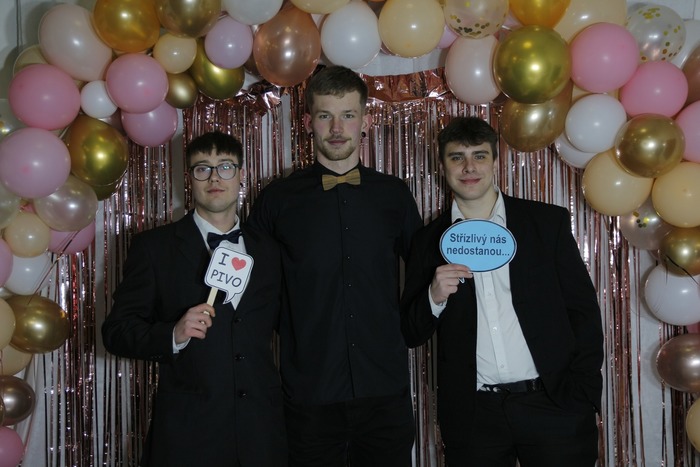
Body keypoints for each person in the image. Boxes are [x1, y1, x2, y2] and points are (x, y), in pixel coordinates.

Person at [400, 116, 604, 466]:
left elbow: (583, 311)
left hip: (554, 405)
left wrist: (582, 393)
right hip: (475, 418)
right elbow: (410, 332)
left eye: (479, 156)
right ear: (442, 166)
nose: (469, 167)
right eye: (456, 157)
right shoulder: (427, 241)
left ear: (496, 162)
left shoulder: (546, 223)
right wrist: (433, 297)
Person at [247, 65, 423, 466]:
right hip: (309, 394)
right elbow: (255, 291)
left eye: (348, 115)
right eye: (326, 115)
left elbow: (421, 275)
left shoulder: (394, 195)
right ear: (308, 122)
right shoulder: (277, 200)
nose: (337, 128)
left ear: (366, 121)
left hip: (385, 390)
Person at [102, 131, 287, 467]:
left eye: (225, 167)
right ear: (190, 178)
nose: (215, 178)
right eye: (203, 168)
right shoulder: (154, 248)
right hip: (188, 434)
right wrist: (172, 334)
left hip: (261, 432)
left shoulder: (270, 250)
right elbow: (116, 332)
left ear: (241, 174)